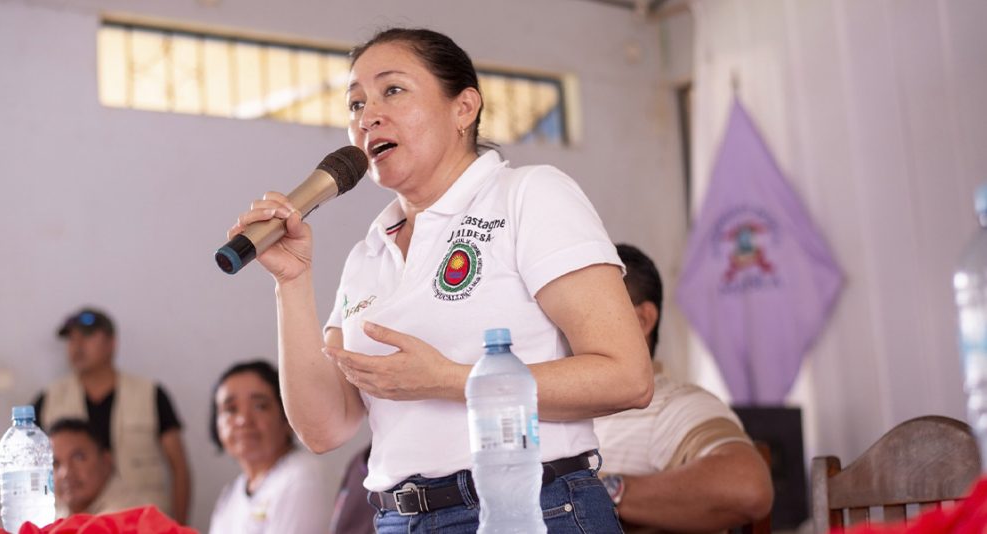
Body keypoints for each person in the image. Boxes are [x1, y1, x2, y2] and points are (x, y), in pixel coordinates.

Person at [226, 27, 653, 533]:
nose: (369, 116)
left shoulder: (528, 195)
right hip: (398, 520)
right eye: (355, 104)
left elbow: (628, 377)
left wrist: (450, 381)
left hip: (531, 509)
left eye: (393, 90)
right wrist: (292, 283)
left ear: (463, 108)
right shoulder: (368, 254)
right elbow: (324, 428)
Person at [593, 244, 774, 532]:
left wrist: (598, 493)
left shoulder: (676, 405)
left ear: (641, 320)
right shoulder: (542, 410)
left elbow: (747, 487)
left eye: (586, 309)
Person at [33, 307, 192, 525]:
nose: (77, 346)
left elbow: (179, 467)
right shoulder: (48, 399)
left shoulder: (150, 393)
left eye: (87, 336)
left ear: (111, 343)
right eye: (71, 339)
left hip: (144, 524)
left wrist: (179, 526)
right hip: (72, 525)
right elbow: (29, 473)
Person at [208, 360, 331, 534]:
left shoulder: (302, 477)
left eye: (260, 406)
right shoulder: (231, 493)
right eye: (230, 409)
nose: (243, 420)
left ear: (288, 417)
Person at [49, 418, 135, 518]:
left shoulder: (126, 517)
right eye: (55, 463)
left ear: (106, 461)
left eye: (78, 458)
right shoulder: (53, 514)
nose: (65, 473)